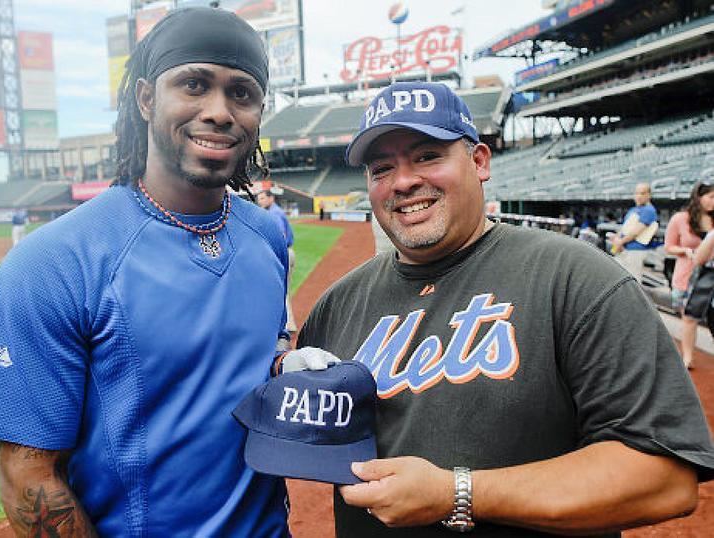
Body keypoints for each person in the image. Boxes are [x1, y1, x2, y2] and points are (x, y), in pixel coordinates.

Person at [297, 81, 714, 537]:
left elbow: (665, 479)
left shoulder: (577, 279)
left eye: (427, 156)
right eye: (381, 168)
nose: (403, 181)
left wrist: (457, 493)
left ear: (479, 162)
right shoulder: (335, 306)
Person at [0, 8, 293, 536]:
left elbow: (258, 354)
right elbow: (27, 473)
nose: (219, 111)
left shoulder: (269, 236)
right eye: (193, 84)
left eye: (242, 93)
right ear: (145, 99)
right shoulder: (52, 262)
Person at [664, 180, 714, 368]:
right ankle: (687, 356)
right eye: (710, 197)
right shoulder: (680, 218)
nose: (713, 202)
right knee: (689, 317)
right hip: (688, 274)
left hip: (711, 275)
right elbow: (668, 246)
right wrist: (684, 251)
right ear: (699, 197)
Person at [258, 188, 297, 333]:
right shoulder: (275, 212)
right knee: (283, 290)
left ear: (271, 198)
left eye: (262, 198)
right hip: (287, 252)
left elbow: (280, 237)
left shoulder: (274, 214)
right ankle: (289, 324)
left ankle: (286, 325)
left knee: (279, 290)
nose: (260, 201)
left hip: (281, 252)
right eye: (259, 199)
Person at [611, 182, 659, 280]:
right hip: (623, 249)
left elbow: (636, 232)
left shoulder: (649, 210)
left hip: (635, 250)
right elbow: (624, 228)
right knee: (617, 278)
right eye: (637, 193)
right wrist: (617, 239)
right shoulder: (633, 209)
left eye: (642, 193)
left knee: (633, 280)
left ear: (649, 195)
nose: (638, 196)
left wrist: (620, 241)